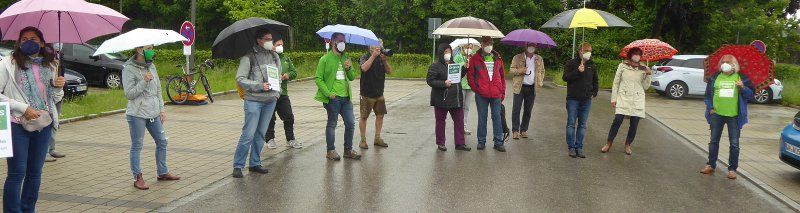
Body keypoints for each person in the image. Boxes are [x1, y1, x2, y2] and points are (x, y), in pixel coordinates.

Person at [1, 26, 66, 212]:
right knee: (16, 173)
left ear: (42, 43)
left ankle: (28, 209)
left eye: (34, 39)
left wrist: (58, 87)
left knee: (35, 173)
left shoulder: (51, 65)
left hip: (43, 125)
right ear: (19, 43)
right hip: (16, 124)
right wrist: (24, 108)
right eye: (24, 39)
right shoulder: (8, 63)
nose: (28, 42)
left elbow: (54, 98)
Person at [123, 44, 181, 190]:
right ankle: (137, 177)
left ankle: (162, 172)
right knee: (137, 145)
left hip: (154, 112)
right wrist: (144, 81)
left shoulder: (151, 65)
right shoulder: (129, 68)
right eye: (149, 48)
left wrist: (162, 109)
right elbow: (129, 94)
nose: (152, 51)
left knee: (162, 141)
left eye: (152, 48)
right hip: (137, 113)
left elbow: (158, 90)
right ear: (139, 50)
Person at [232, 28, 281, 178]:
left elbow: (278, 76)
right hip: (253, 100)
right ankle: (238, 165)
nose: (270, 42)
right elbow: (240, 79)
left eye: (271, 39)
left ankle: (255, 163)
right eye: (267, 39)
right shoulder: (248, 57)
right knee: (248, 133)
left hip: (270, 101)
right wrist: (259, 86)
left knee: (260, 134)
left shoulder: (274, 56)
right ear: (259, 40)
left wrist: (276, 93)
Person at [700, 55, 755, 180]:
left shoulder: (742, 78)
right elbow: (707, 96)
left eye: (728, 62)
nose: (725, 64)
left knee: (734, 143)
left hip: (734, 116)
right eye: (723, 62)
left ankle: (732, 169)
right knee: (713, 141)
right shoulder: (715, 77)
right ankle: (711, 165)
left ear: (734, 64)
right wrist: (711, 108)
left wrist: (743, 87)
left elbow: (750, 95)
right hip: (717, 115)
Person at [315, 32, 361, 161]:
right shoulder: (325, 59)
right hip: (333, 98)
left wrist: (348, 68)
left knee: (351, 123)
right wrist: (328, 94)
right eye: (340, 41)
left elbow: (351, 77)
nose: (343, 43)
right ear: (333, 42)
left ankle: (348, 149)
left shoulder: (346, 57)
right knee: (332, 124)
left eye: (344, 41)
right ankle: (330, 150)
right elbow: (318, 78)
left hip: (346, 98)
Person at [602, 48, 652, 155]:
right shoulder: (622, 66)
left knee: (634, 124)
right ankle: (609, 143)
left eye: (639, 54)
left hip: (637, 100)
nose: (637, 56)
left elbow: (646, 87)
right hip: (623, 98)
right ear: (630, 55)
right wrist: (614, 98)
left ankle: (628, 144)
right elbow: (616, 83)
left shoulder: (644, 68)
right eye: (635, 54)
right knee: (617, 121)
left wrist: (648, 75)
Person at [465, 36, 507, 152]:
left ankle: (498, 142)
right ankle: (481, 141)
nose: (490, 45)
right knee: (482, 118)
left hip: (496, 93)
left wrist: (502, 91)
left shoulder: (497, 57)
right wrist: (476, 88)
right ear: (482, 44)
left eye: (491, 43)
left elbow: (502, 76)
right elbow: (470, 75)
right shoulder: (475, 58)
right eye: (487, 43)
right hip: (481, 94)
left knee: (497, 117)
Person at [427, 44, 471, 152]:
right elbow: (430, 80)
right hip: (441, 99)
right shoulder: (435, 66)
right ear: (441, 53)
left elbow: (458, 77)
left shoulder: (454, 64)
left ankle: (460, 143)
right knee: (441, 121)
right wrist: (443, 83)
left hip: (455, 98)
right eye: (446, 52)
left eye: (450, 52)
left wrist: (465, 68)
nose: (448, 54)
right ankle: (441, 143)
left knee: (459, 120)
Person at [563, 42, 598, 158]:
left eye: (590, 51)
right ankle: (571, 147)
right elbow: (565, 78)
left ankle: (579, 147)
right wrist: (577, 71)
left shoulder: (592, 65)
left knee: (582, 125)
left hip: (586, 99)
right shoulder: (571, 63)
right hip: (573, 99)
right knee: (571, 124)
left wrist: (594, 93)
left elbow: (595, 81)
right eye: (586, 51)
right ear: (580, 51)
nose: (588, 53)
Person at [265, 37, 301, 149]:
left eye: (282, 44)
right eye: (278, 44)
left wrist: (287, 75)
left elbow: (294, 72)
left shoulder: (286, 58)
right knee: (270, 117)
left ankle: (290, 139)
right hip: (270, 94)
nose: (281, 46)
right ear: (272, 45)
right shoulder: (268, 58)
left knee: (289, 116)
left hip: (283, 93)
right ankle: (270, 139)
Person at [358, 40, 392, 149]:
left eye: (381, 45)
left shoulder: (381, 57)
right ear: (370, 47)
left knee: (380, 116)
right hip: (367, 93)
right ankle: (363, 140)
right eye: (377, 45)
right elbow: (364, 68)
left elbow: (389, 71)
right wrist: (372, 56)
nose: (380, 47)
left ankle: (377, 138)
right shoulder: (365, 56)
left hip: (379, 93)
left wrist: (385, 61)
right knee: (364, 117)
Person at [509, 43, 545, 140]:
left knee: (528, 110)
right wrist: (520, 70)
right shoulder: (517, 57)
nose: (531, 47)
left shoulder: (539, 59)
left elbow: (542, 71)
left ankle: (523, 130)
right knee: (516, 109)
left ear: (536, 47)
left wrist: (540, 81)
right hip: (519, 87)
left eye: (533, 45)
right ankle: (515, 131)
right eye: (530, 45)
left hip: (532, 87)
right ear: (525, 46)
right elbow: (511, 70)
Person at [454, 43, 474, 135]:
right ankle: (459, 126)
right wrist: (464, 65)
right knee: (460, 107)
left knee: (467, 107)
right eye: (467, 47)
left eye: (471, 48)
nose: (469, 49)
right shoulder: (458, 57)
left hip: (470, 86)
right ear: (463, 48)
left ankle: (464, 126)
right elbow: (454, 69)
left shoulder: (473, 58)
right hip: (461, 85)